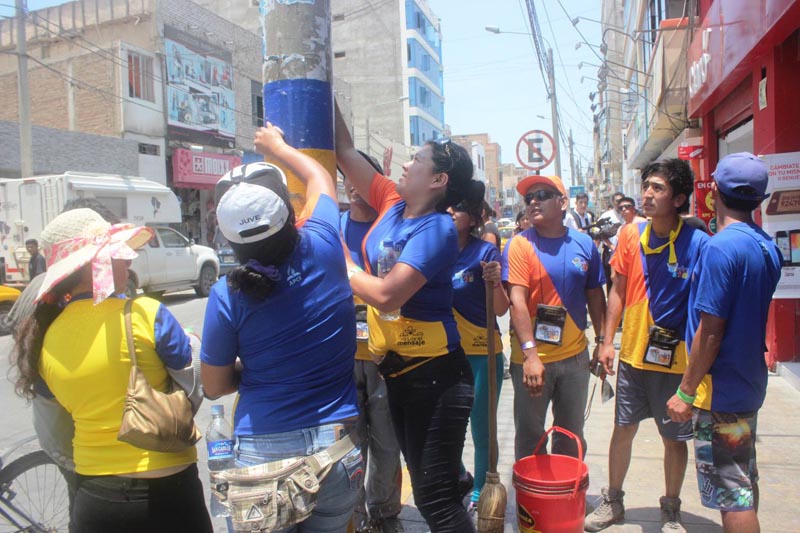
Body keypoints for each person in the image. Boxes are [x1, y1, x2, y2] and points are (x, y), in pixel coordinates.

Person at [201, 124, 362, 532]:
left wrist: (257, 369)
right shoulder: (324, 246)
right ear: (292, 215)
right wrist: (278, 146)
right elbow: (319, 178)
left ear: (230, 242)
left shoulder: (226, 295)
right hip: (335, 452)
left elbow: (214, 386)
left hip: (261, 458)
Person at [12, 219, 211, 533]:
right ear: (96, 265)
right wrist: (194, 345)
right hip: (171, 491)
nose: (128, 261)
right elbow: (196, 384)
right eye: (119, 254)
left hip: (95, 497)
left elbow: (55, 420)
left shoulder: (44, 339)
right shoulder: (146, 313)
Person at [335, 103, 476, 532]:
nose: (406, 163)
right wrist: (326, 86)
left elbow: (387, 295)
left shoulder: (437, 228)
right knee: (433, 487)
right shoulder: (392, 203)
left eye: (417, 159)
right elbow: (344, 150)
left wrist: (342, 262)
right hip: (399, 374)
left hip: (436, 378)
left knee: (435, 502)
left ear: (438, 180)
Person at [585, 159, 709, 533]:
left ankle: (670, 509)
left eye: (658, 188)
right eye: (646, 186)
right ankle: (613, 501)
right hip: (633, 357)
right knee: (622, 428)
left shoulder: (698, 243)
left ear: (679, 199)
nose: (648, 194)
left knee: (674, 439)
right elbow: (617, 291)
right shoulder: (629, 235)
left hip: (677, 363)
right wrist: (606, 342)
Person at [666, 153, 782, 533]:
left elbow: (711, 330)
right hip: (747, 382)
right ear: (760, 198)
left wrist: (685, 391)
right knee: (743, 481)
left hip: (720, 392)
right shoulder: (766, 246)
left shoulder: (720, 248)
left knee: (731, 494)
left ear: (713, 191)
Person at [506, 175, 606, 461]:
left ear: (562, 203)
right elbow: (516, 302)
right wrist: (530, 355)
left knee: (571, 436)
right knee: (530, 439)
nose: (533, 202)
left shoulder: (584, 243)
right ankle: (532, 490)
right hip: (531, 361)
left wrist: (602, 342)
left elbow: (595, 295)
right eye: (529, 198)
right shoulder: (519, 245)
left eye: (542, 195)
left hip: (574, 359)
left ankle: (567, 488)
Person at [340, 155, 403, 533]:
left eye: (358, 176)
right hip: (342, 356)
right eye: (346, 177)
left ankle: (385, 513)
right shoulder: (332, 228)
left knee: (387, 442)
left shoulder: (393, 227)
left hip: (386, 355)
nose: (352, 185)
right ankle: (355, 515)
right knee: (349, 444)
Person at [448, 181, 509, 512]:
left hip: (483, 353)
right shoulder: (433, 249)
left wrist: (494, 282)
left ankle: (481, 491)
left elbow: (500, 309)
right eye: (447, 206)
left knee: (482, 428)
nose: (450, 212)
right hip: (444, 354)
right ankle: (459, 477)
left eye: (457, 208)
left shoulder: (485, 253)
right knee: (445, 426)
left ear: (472, 217)